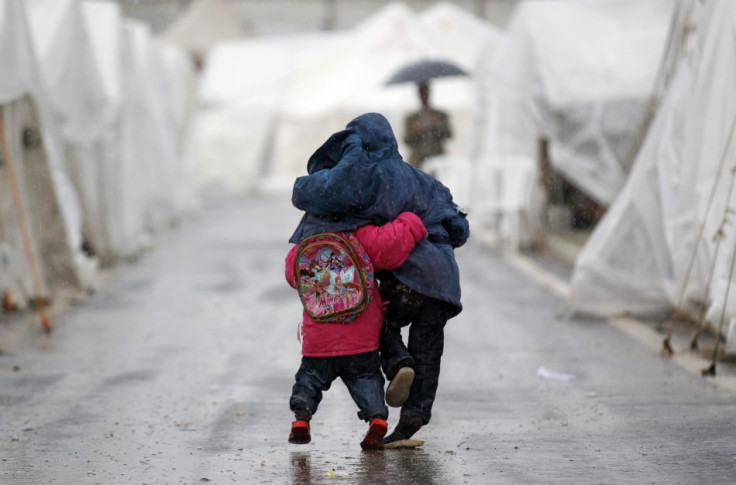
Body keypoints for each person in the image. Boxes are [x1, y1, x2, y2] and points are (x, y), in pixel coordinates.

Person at [289, 112, 469, 446]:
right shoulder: (420, 178)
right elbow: (459, 228)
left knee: (379, 320)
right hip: (443, 283)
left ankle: (398, 361)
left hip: (406, 279)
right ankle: (414, 415)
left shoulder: (364, 177)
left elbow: (317, 196)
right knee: (429, 347)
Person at [285, 211, 428, 450]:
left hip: (319, 341)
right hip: (362, 338)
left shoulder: (306, 243)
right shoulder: (360, 234)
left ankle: (301, 418)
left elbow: (292, 275)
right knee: (367, 379)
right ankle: (377, 420)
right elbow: (390, 247)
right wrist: (412, 221)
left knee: (309, 379)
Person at [404, 82, 452, 170]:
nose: (424, 95)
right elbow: (406, 140)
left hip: (437, 159)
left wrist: (437, 124)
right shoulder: (412, 118)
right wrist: (415, 132)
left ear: (430, 92)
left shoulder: (440, 115)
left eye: (425, 91)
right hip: (417, 161)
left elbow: (449, 135)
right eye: (421, 92)